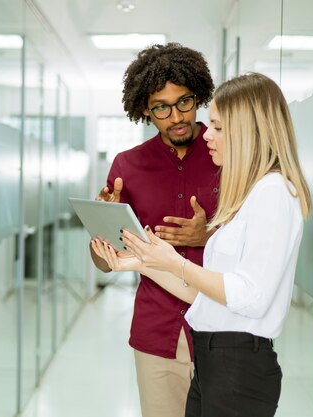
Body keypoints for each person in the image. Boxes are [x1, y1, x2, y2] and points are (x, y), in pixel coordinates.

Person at [92, 72, 312, 417]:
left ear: (249, 131)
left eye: (219, 127)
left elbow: (249, 296)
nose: (206, 134)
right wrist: (137, 262)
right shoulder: (252, 195)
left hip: (235, 365)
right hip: (213, 354)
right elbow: (208, 297)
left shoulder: (273, 192)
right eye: (161, 108)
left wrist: (177, 260)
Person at [90, 43, 219, 417]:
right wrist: (103, 233)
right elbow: (105, 263)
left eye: (185, 102)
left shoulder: (229, 155)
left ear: (199, 95)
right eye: (161, 107)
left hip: (222, 331)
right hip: (157, 332)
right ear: (145, 109)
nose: (176, 116)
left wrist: (205, 236)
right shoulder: (127, 166)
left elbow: (254, 244)